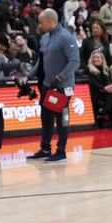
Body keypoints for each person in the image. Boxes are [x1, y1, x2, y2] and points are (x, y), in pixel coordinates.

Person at [26, 9, 80, 163]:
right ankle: (45, 148)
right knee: (46, 117)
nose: (39, 25)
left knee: (62, 118)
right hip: (47, 85)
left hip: (62, 87)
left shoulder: (66, 38)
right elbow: (41, 61)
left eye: (41, 22)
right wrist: (29, 76)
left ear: (50, 21)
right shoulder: (45, 38)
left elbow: (75, 62)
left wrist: (60, 77)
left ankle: (61, 151)